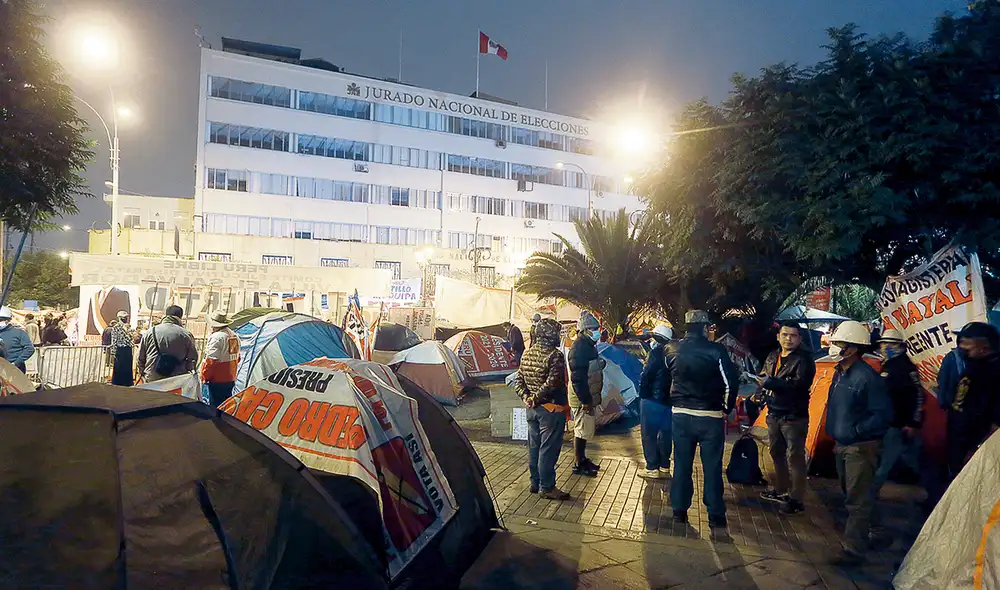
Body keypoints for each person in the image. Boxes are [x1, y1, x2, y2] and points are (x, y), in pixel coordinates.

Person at [823, 320, 893, 566]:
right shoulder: (839, 373)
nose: (832, 346)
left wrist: (854, 432)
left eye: (838, 343)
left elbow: (883, 415)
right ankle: (879, 532)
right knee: (855, 494)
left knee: (857, 500)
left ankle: (853, 550)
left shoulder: (867, 378)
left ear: (852, 349)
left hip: (860, 447)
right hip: (843, 443)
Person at [665, 310, 741, 528]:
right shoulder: (716, 350)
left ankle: (679, 510)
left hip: (680, 415)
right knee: (712, 467)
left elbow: (667, 376)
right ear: (705, 327)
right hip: (710, 417)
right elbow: (730, 384)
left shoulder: (671, 349)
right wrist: (726, 408)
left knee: (681, 465)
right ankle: (715, 514)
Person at [756, 323, 816, 515]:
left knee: (795, 457)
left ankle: (796, 499)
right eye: (784, 334)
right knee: (776, 452)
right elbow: (764, 376)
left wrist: (771, 383)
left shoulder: (804, 359)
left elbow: (798, 385)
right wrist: (759, 392)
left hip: (793, 416)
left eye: (793, 335)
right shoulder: (773, 355)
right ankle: (781, 489)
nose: (788, 338)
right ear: (778, 336)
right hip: (774, 412)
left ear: (800, 339)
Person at [513, 318, 571, 501]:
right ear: (551, 334)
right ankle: (547, 487)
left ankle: (535, 482)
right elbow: (552, 382)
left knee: (534, 447)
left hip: (532, 410)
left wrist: (527, 398)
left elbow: (518, 380)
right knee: (548, 450)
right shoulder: (555, 355)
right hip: (550, 410)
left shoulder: (527, 353)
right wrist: (535, 398)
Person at [936, 322, 1000, 480]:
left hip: (976, 447)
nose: (961, 345)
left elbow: (995, 419)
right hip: (959, 440)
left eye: (967, 342)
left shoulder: (994, 371)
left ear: (984, 346)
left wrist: (977, 448)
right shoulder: (975, 365)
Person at [869, 328, 924, 501]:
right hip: (887, 423)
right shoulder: (888, 365)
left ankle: (868, 495)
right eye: (884, 344)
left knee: (886, 463)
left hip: (898, 425)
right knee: (902, 460)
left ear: (900, 346)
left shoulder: (906, 368)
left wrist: (913, 423)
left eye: (890, 344)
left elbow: (917, 396)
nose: (886, 347)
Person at [637, 324, 674, 479]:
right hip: (669, 401)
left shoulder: (655, 352)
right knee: (666, 434)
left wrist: (643, 394)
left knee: (649, 434)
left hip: (652, 399)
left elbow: (647, 375)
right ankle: (665, 466)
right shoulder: (674, 352)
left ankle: (652, 467)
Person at [567, 312, 601, 476]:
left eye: (597, 328)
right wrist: (585, 400)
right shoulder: (579, 348)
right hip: (581, 395)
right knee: (581, 430)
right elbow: (578, 378)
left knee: (584, 429)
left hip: (586, 393)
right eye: (594, 329)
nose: (597, 332)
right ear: (585, 330)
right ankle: (578, 463)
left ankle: (582, 459)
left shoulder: (587, 345)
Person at [137, 305, 197, 383]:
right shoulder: (186, 335)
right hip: (176, 380)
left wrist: (143, 374)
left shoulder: (151, 332)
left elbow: (140, 357)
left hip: (152, 379)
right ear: (180, 317)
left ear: (166, 315)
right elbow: (192, 359)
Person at [201, 311, 241, 407]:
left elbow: (211, 361)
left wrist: (204, 376)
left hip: (217, 379)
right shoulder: (234, 335)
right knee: (225, 405)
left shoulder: (216, 337)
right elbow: (238, 358)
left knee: (215, 407)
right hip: (231, 377)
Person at [106, 311, 138, 386]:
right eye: (124, 318)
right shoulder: (116, 328)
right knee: (119, 367)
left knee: (127, 367)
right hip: (120, 349)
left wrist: (130, 332)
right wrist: (113, 352)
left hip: (128, 349)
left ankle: (128, 382)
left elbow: (133, 338)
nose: (126, 319)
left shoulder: (130, 328)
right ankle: (118, 382)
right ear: (120, 318)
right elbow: (114, 340)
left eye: (126, 317)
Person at [0, 307, 34, 373]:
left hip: (15, 370)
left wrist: (16, 363)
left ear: (7, 320)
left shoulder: (19, 333)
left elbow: (29, 349)